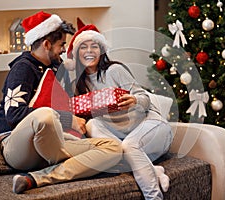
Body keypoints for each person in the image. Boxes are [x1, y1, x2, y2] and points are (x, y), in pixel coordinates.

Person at [0, 11, 122, 194]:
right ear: (47, 44)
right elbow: (14, 115)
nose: (64, 49)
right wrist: (69, 120)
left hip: (51, 143)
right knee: (45, 114)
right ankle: (71, 161)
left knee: (114, 148)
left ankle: (37, 178)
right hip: (18, 147)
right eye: (61, 44)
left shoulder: (55, 67)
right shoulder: (23, 68)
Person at [65, 21, 174, 200]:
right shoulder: (79, 85)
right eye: (83, 47)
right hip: (122, 137)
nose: (89, 51)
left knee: (129, 145)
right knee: (96, 127)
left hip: (151, 126)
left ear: (101, 51)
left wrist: (134, 100)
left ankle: (154, 197)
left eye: (95, 46)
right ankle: (154, 170)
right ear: (77, 54)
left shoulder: (114, 71)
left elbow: (145, 99)